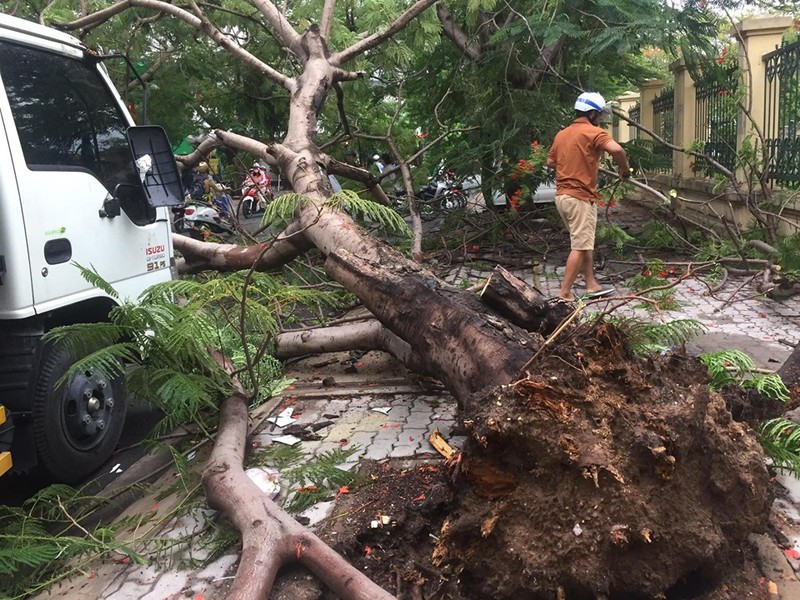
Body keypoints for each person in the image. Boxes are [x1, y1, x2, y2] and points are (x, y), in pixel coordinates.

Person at [546, 92, 631, 301]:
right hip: (580, 198)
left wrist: (579, 161)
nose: (600, 119)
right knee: (580, 245)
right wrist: (625, 170)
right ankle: (565, 293)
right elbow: (617, 150)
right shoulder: (594, 133)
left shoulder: (562, 134)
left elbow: (550, 162)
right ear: (592, 113)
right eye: (599, 115)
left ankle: (591, 283)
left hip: (562, 198)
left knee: (584, 242)